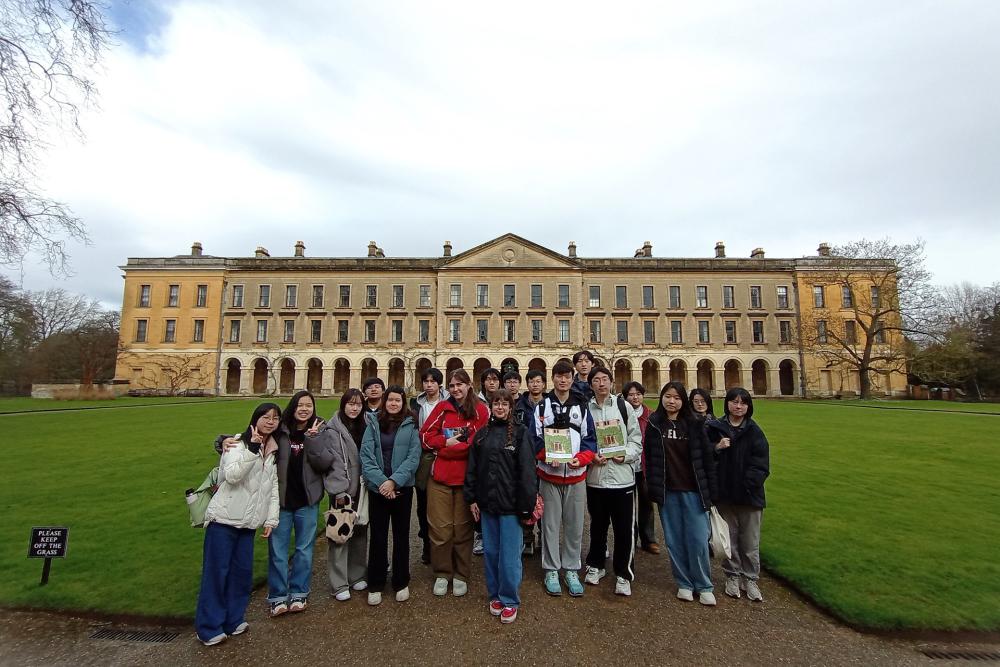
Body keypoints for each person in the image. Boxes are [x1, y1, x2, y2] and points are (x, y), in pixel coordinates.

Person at [195, 403, 280, 646]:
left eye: (275, 418)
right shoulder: (236, 444)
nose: (270, 422)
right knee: (216, 573)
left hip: (247, 522)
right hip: (224, 519)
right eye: (266, 417)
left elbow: (273, 488)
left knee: (241, 574)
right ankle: (208, 627)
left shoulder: (272, 450)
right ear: (255, 419)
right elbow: (232, 475)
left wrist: (271, 519)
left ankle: (232, 619)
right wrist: (252, 448)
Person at [464, 389, 538, 624]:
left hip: (511, 506)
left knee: (509, 556)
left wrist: (526, 506)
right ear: (491, 406)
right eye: (496, 403)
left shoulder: (520, 434)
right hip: (487, 503)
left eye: (505, 404)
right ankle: (495, 594)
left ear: (510, 407)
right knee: (491, 553)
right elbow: (472, 469)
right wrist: (472, 498)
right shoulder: (482, 435)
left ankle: (510, 599)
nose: (500, 407)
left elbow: (528, 473)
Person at [643, 382, 718, 606]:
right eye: (668, 396)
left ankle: (704, 585)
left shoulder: (694, 425)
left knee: (697, 539)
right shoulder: (655, 424)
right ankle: (684, 583)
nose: (671, 401)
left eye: (676, 397)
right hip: (668, 490)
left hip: (693, 489)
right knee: (674, 541)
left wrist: (711, 491)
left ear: (683, 400)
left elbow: (707, 459)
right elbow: (650, 458)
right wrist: (654, 486)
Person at [529, 360, 597, 597]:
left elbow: (590, 439)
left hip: (576, 475)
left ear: (572, 378)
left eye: (567, 376)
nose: (563, 380)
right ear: (553, 378)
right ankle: (550, 568)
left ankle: (570, 568)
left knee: (575, 526)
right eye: (559, 376)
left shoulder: (582, 406)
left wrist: (582, 458)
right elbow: (534, 439)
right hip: (550, 475)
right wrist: (547, 456)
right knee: (549, 525)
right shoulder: (541, 408)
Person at [420, 369, 490, 596]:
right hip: (440, 478)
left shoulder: (480, 410)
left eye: (460, 384)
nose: (456, 389)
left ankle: (461, 573)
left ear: (469, 385)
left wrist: (451, 447)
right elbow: (425, 436)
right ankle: (442, 572)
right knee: (440, 529)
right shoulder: (442, 408)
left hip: (466, 480)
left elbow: (479, 442)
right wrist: (445, 442)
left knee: (462, 529)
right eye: (452, 385)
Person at [706, 387, 770, 602]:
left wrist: (747, 485)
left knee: (750, 542)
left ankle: (750, 579)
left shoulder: (754, 431)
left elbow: (761, 465)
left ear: (748, 406)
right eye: (734, 402)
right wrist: (717, 447)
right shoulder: (716, 428)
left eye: (743, 403)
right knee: (729, 540)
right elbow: (705, 458)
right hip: (725, 495)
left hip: (749, 495)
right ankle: (732, 576)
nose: (738, 406)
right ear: (727, 404)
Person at [359, 385, 421, 605]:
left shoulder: (411, 424)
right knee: (378, 536)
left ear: (403, 402)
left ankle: (401, 581)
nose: (394, 403)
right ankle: (376, 582)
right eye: (390, 400)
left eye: (398, 400)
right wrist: (383, 482)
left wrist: (394, 481)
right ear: (384, 402)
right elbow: (366, 455)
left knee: (401, 536)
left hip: (401, 488)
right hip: (378, 489)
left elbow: (414, 457)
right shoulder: (373, 423)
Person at [583, 367, 642, 596]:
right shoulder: (586, 409)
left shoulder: (623, 407)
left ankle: (623, 573)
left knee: (624, 529)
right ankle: (596, 565)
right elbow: (582, 441)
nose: (600, 384)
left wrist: (624, 454)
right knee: (597, 526)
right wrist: (590, 456)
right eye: (596, 380)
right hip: (596, 479)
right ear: (590, 385)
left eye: (604, 379)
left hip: (622, 479)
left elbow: (636, 441)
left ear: (611, 382)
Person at [307, 388, 368, 601]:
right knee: (339, 534)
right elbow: (324, 461)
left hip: (363, 486)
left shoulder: (367, 425)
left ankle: (357, 574)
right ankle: (339, 582)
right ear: (343, 405)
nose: (354, 408)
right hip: (342, 489)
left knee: (360, 531)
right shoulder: (331, 428)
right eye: (350, 404)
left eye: (358, 404)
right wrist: (338, 488)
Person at [410, 368, 449, 565]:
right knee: (423, 503)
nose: (429, 384)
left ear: (439, 384)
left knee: (443, 504)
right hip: (422, 456)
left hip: (444, 454)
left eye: (433, 381)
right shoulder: (416, 404)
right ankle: (427, 544)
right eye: (426, 381)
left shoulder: (449, 403)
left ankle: (444, 547)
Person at [623, 381, 660, 555]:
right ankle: (630, 537)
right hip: (626, 466)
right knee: (627, 505)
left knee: (647, 504)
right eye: (631, 394)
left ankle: (648, 539)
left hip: (644, 466)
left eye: (638, 394)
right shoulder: (621, 415)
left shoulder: (651, 417)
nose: (635, 397)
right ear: (625, 397)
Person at [514, 369, 546, 555]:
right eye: (532, 381)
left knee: (545, 498)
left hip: (545, 458)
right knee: (526, 496)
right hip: (523, 459)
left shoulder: (550, 405)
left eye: (538, 381)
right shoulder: (518, 405)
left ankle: (542, 534)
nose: (535, 384)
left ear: (543, 384)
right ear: (527, 384)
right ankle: (527, 537)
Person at [473, 368, 501, 555]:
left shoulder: (504, 399)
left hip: (500, 452)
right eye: (488, 380)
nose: (491, 383)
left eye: (494, 379)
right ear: (482, 382)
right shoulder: (475, 402)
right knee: (481, 491)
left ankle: (496, 534)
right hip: (481, 450)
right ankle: (480, 534)